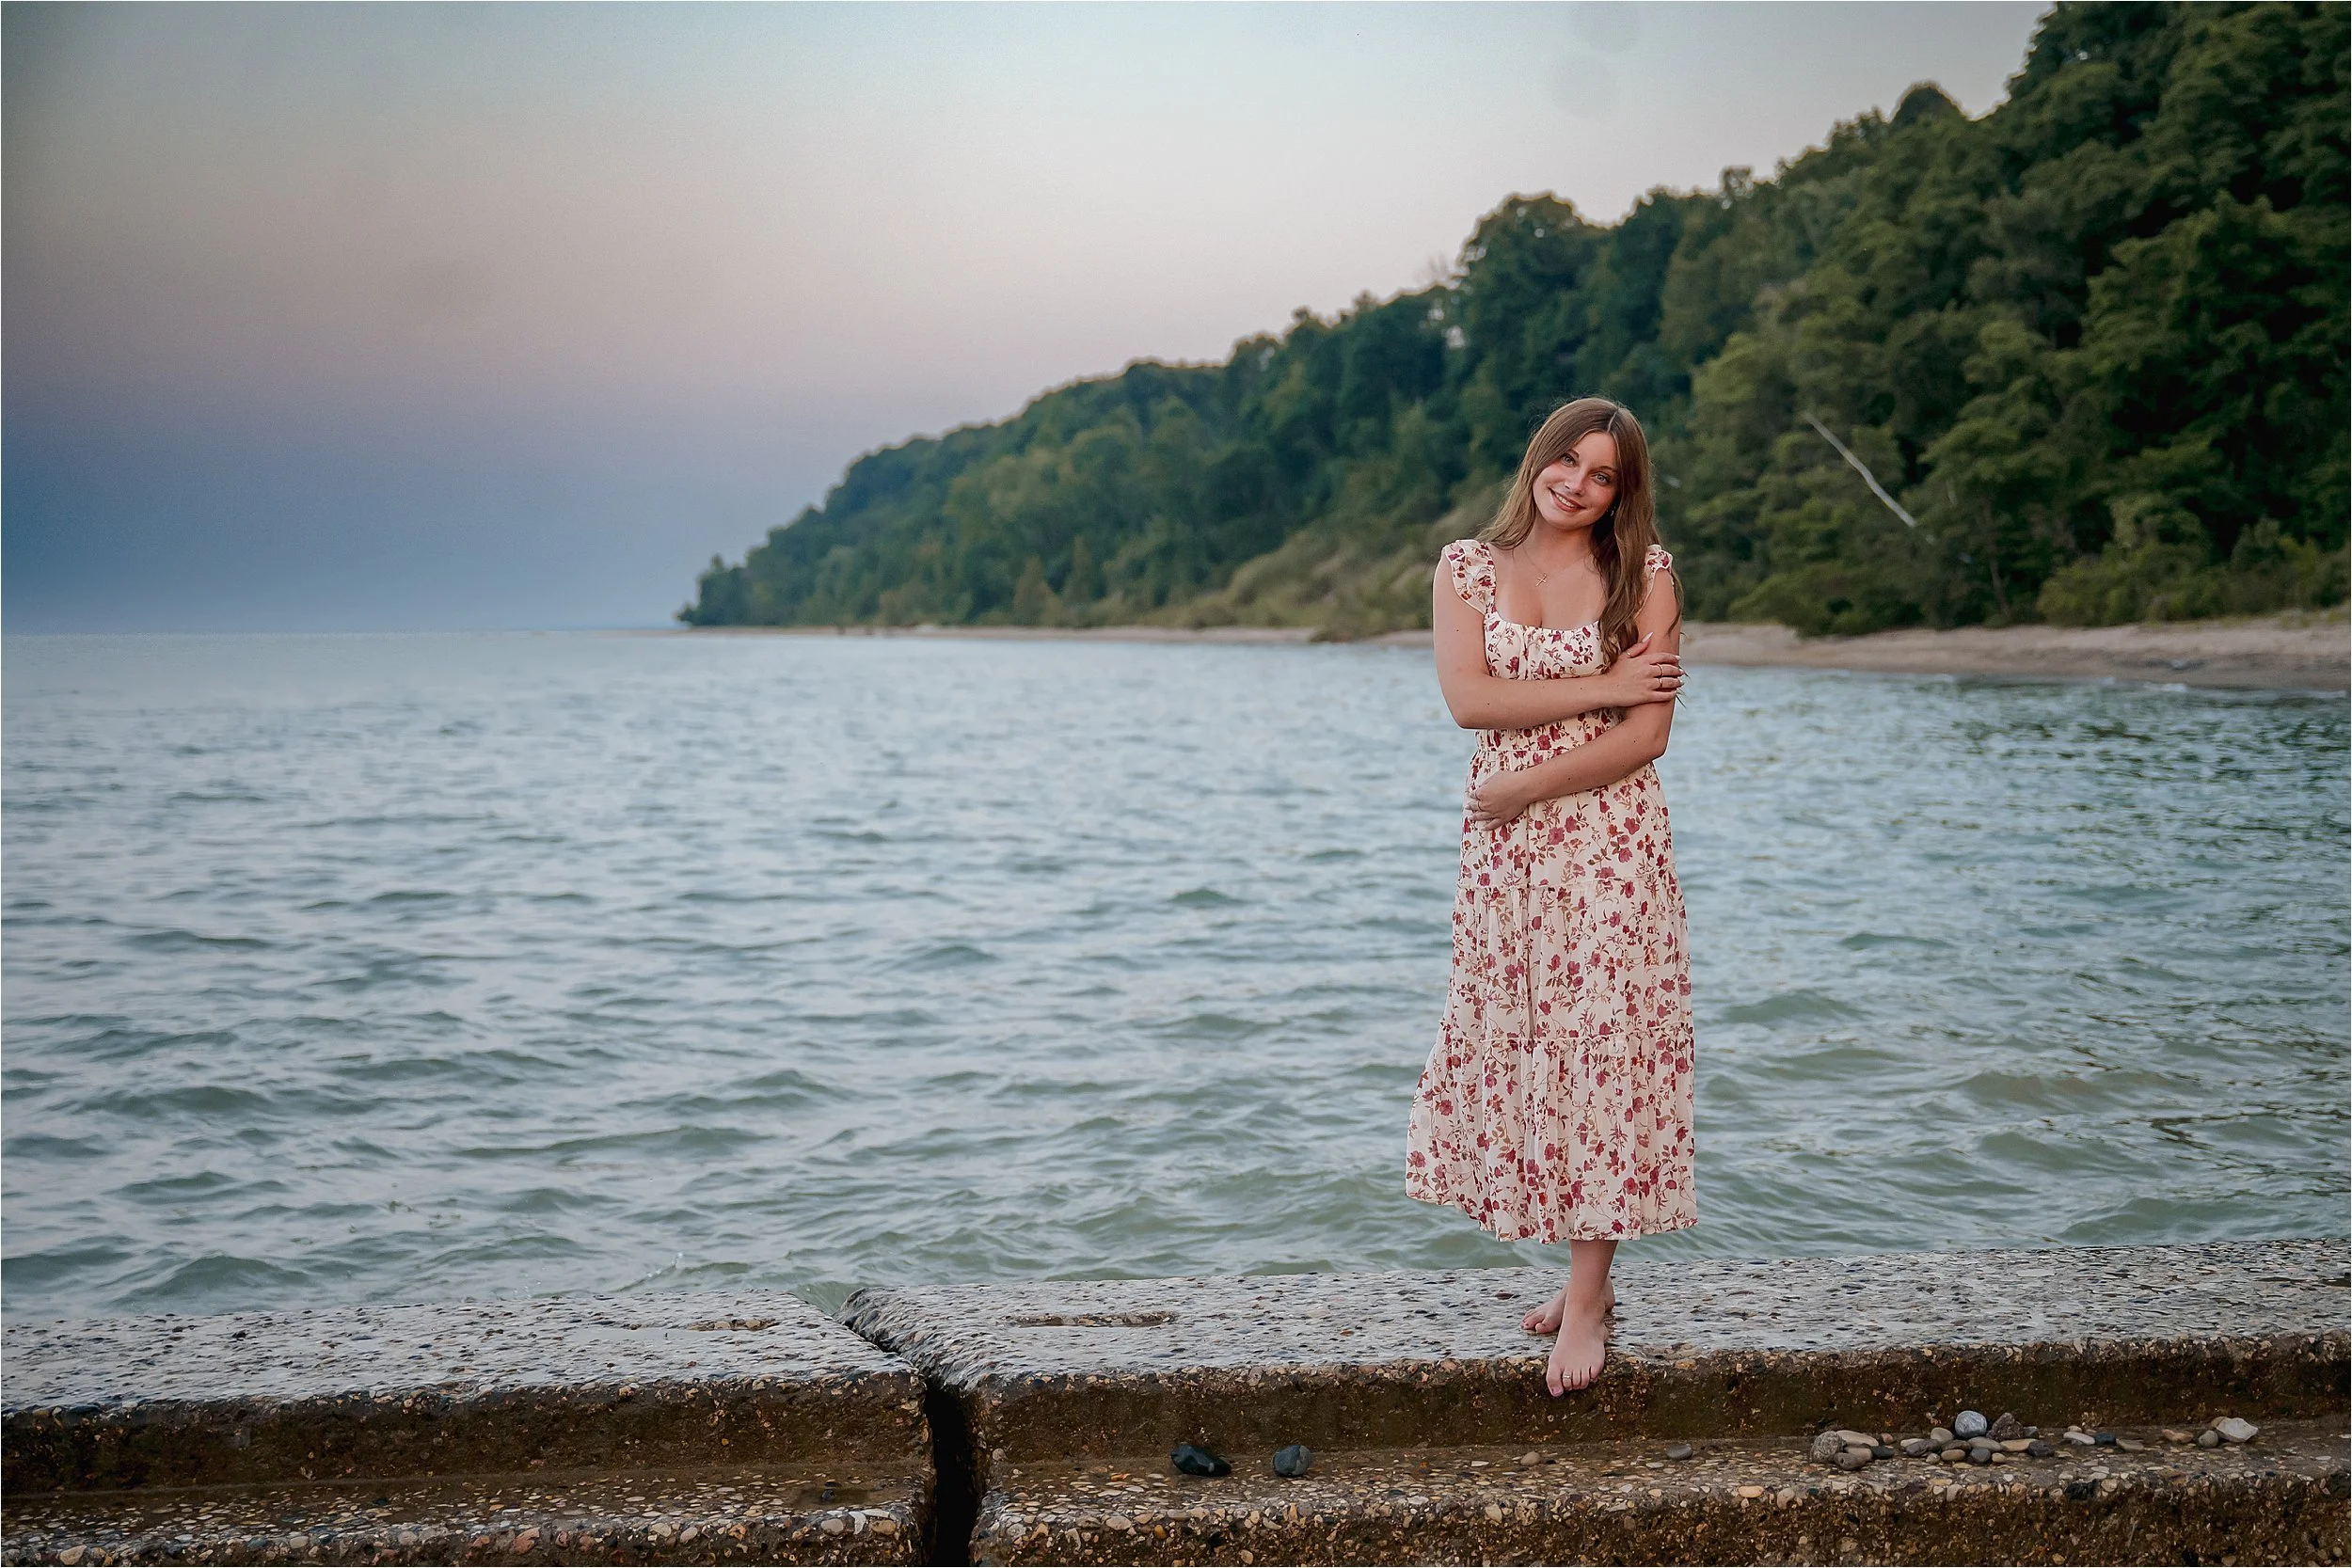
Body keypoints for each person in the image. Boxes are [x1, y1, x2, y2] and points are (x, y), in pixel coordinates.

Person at [1405, 396, 1695, 1398]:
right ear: (1539, 459)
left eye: (1603, 472)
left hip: (1608, 845)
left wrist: (1529, 780)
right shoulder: (1466, 568)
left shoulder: (1642, 574)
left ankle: (1586, 1297)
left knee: (1603, 1049)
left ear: (1625, 489)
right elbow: (1469, 699)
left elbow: (1645, 736)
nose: (1576, 483)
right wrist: (1604, 681)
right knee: (1531, 1040)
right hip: (1505, 862)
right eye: (1566, 460)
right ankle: (1583, 1280)